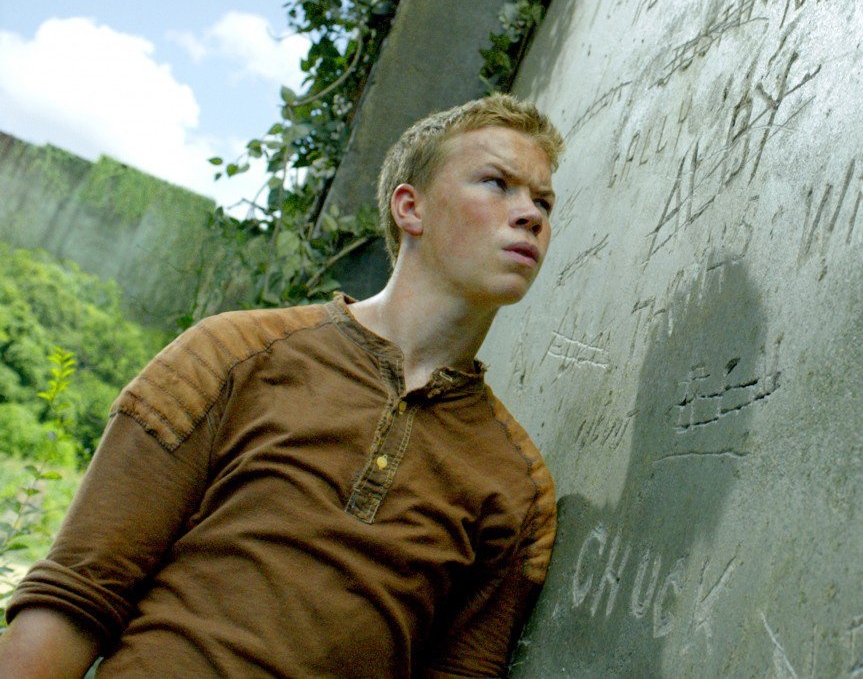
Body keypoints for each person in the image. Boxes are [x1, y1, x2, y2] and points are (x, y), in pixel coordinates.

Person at [0, 94, 562, 677]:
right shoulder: (230, 356)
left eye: (543, 200)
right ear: (410, 208)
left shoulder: (516, 487)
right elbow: (74, 599)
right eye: (497, 183)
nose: (531, 215)